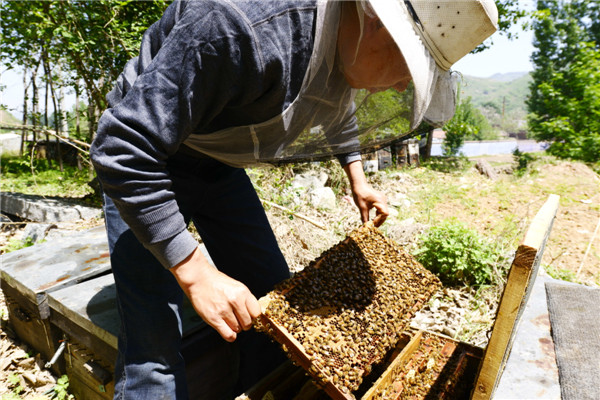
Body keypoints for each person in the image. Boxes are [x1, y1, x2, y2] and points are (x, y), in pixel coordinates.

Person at [90, 0, 498, 398]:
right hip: (148, 161)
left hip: (217, 165)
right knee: (154, 340)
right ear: (378, 24)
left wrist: (356, 174)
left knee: (271, 300)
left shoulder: (345, 35)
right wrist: (196, 273)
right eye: (410, 68)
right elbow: (123, 147)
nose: (401, 85)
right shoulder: (239, 24)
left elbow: (335, 101)